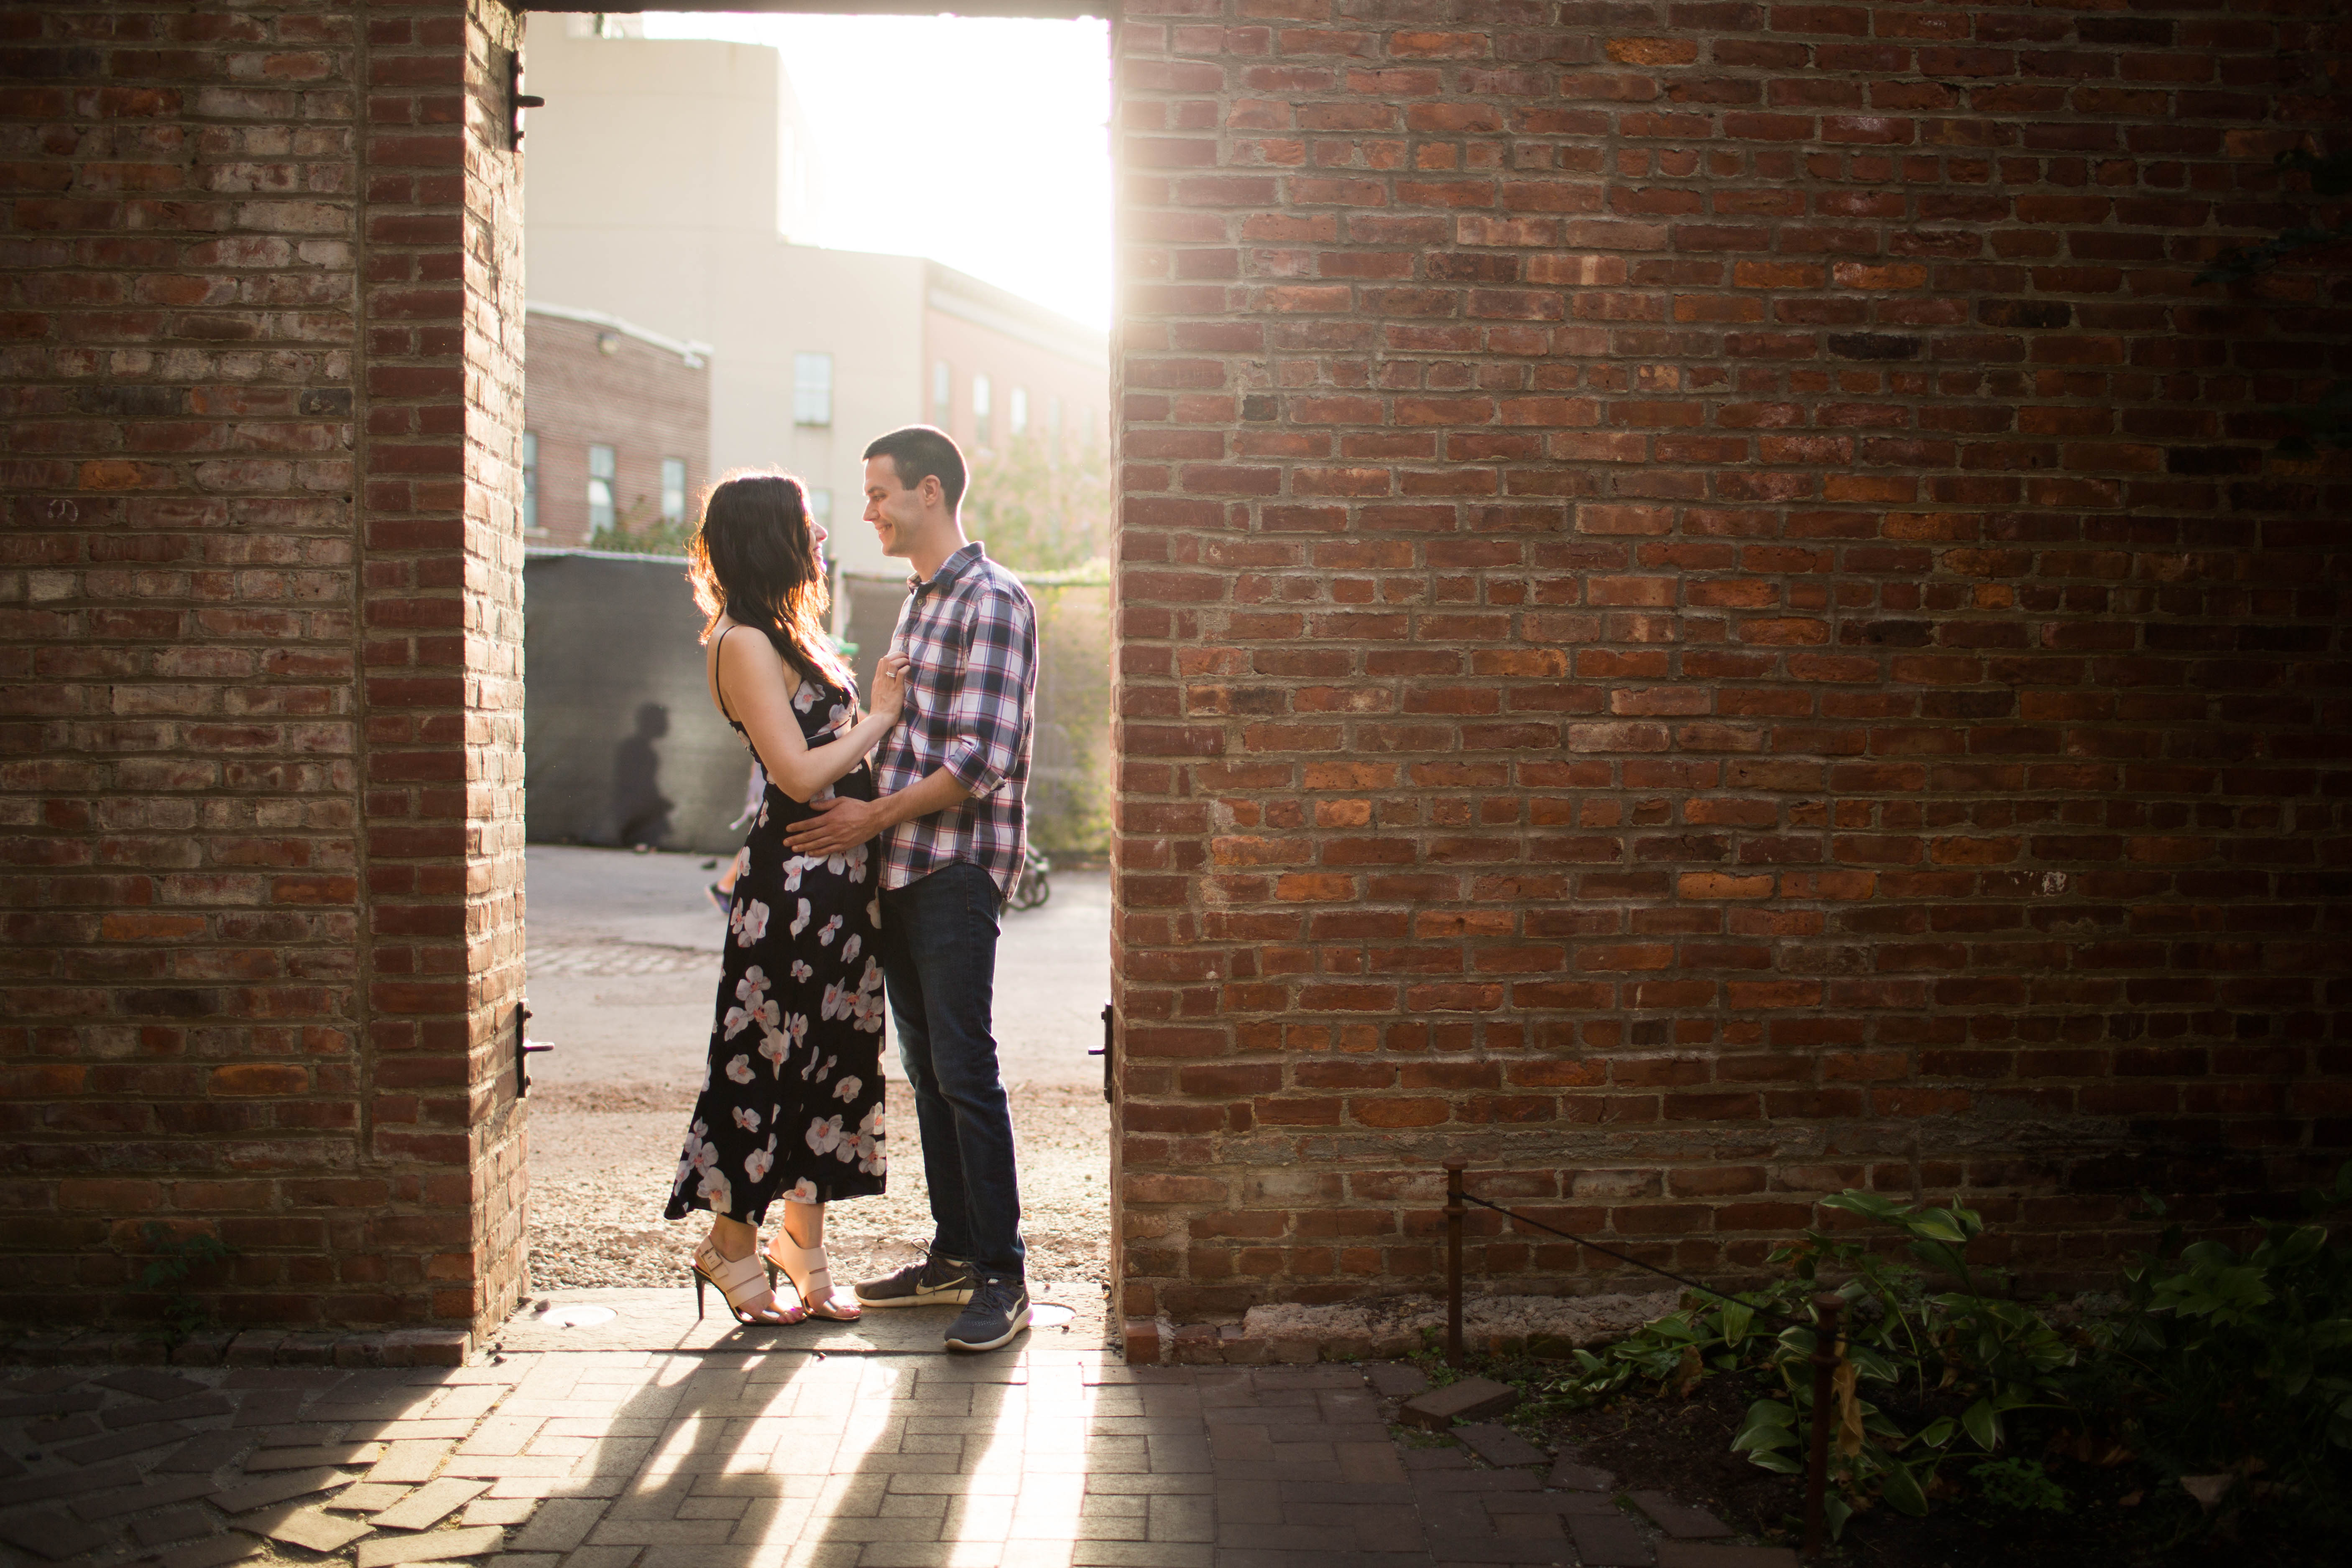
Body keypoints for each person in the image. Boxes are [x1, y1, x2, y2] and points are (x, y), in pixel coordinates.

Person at [782, 425, 1038, 1353]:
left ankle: (1004, 1276)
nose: (869, 511)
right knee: (927, 1074)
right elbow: (901, 733)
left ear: (930, 492)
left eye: (880, 493)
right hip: (899, 872)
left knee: (965, 1070)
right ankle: (956, 1253)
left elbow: (980, 761)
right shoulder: (918, 603)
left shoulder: (994, 600)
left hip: (956, 868)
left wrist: (868, 820)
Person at [665, 469, 911, 1326]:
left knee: (833, 1068)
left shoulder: (789, 633)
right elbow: (799, 773)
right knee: (765, 1064)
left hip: (842, 892)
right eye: (805, 526)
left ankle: (801, 1244)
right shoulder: (741, 641)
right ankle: (730, 1248)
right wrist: (879, 717)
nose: (820, 539)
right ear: (768, 535)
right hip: (789, 893)